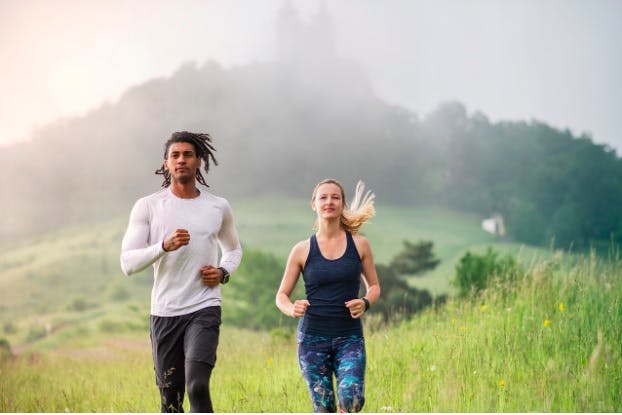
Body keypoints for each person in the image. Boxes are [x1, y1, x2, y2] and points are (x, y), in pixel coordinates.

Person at [120, 131, 242, 413]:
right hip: (164, 311)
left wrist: (223, 271)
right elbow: (127, 263)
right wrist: (163, 246)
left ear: (199, 161)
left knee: (197, 386)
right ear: (166, 164)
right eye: (175, 155)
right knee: (171, 402)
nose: (181, 160)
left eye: (188, 154)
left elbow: (234, 250)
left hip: (204, 306)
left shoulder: (217, 206)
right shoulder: (148, 206)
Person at [276, 179, 381, 413]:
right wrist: (291, 308)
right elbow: (281, 295)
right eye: (323, 197)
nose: (329, 202)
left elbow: (374, 287)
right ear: (313, 204)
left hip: (349, 337)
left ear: (342, 204)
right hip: (312, 340)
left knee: (351, 400)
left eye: (335, 197)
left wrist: (365, 302)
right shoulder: (302, 250)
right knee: (323, 408)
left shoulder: (360, 245)